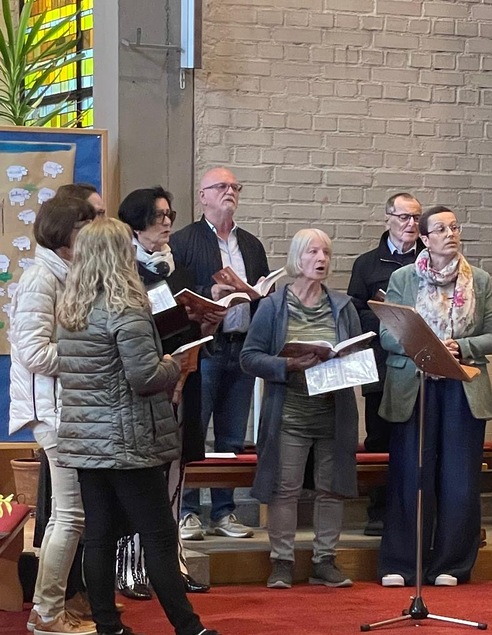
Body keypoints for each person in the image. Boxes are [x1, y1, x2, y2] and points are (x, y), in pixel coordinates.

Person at [55, 218, 242, 635]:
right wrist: (177, 362)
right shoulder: (126, 308)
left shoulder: (72, 310)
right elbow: (144, 377)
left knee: (99, 535)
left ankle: (109, 629)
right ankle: (188, 632)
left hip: (86, 439)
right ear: (120, 256)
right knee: (159, 536)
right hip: (128, 440)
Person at [378, 205, 492, 587]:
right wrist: (424, 346)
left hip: (462, 386)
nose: (451, 234)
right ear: (425, 239)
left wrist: (462, 346)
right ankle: (402, 564)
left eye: (455, 227)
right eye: (441, 229)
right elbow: (386, 333)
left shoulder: (479, 279)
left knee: (459, 480)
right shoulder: (403, 278)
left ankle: (452, 563)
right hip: (414, 386)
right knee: (410, 475)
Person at [240, 229, 361, 589]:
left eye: (326, 252)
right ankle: (282, 561)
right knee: (285, 488)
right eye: (312, 252)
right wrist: (288, 365)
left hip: (333, 412)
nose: (321, 259)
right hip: (289, 414)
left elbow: (357, 353)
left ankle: (325, 560)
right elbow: (249, 357)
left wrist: (347, 360)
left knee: (331, 488)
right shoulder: (273, 306)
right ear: (297, 258)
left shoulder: (343, 306)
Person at [117, 185, 216, 598]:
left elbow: (187, 326)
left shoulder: (178, 270)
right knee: (141, 481)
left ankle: (172, 564)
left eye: (169, 215)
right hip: (142, 386)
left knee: (175, 475)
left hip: (181, 380)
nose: (167, 223)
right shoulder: (123, 270)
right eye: (159, 216)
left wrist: (207, 320)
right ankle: (130, 566)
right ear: (136, 224)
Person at [8, 195, 97, 635]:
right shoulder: (41, 277)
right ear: (63, 234)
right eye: (83, 228)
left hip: (67, 408)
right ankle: (46, 612)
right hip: (52, 410)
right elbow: (33, 352)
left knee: (70, 514)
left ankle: (53, 604)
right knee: (69, 515)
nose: (89, 236)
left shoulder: (63, 272)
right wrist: (91, 353)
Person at [171, 166, 270, 541]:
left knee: (231, 437)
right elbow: (173, 295)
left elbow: (262, 294)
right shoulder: (183, 241)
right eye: (221, 186)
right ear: (203, 196)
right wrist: (208, 293)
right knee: (194, 432)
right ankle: (187, 511)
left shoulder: (251, 245)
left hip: (242, 348)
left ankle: (224, 512)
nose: (230, 191)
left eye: (234, 187)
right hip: (204, 350)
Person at [347, 192, 424, 536]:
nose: (411, 224)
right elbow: (354, 311)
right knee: (380, 439)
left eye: (416, 218)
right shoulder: (367, 264)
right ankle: (378, 512)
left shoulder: (429, 260)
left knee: (417, 441)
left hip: (420, 364)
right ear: (388, 219)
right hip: (379, 363)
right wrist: (388, 319)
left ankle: (413, 512)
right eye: (404, 217)